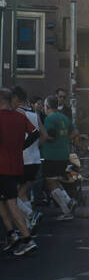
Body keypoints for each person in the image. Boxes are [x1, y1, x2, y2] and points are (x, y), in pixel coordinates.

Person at [0, 88, 40, 253]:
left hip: (2, 165)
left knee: (11, 202)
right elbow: (35, 133)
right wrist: (21, 146)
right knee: (5, 200)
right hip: (16, 164)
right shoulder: (19, 116)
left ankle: (27, 238)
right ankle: (11, 233)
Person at [39, 93, 76, 222]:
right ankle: (69, 201)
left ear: (47, 106)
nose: (44, 108)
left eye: (44, 105)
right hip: (64, 154)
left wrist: (39, 140)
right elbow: (75, 132)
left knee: (50, 182)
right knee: (56, 181)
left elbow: (50, 135)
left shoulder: (49, 119)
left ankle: (67, 209)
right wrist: (64, 139)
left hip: (52, 155)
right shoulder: (64, 117)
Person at [11, 86, 42, 235]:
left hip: (24, 159)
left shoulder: (19, 113)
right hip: (35, 158)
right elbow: (41, 134)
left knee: (10, 194)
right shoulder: (34, 113)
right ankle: (29, 224)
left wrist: (21, 147)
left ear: (16, 99)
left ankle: (31, 215)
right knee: (22, 193)